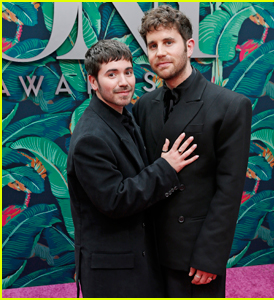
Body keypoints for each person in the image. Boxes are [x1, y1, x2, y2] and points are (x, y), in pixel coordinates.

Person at [132, 5, 252, 298]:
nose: (160, 52)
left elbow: (229, 189)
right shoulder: (143, 105)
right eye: (152, 45)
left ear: (189, 46)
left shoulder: (229, 105)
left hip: (194, 254)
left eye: (168, 42)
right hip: (149, 251)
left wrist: (210, 256)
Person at [67, 39, 199, 298]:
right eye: (111, 74)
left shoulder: (124, 114)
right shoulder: (90, 138)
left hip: (138, 259)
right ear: (93, 82)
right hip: (114, 271)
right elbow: (115, 200)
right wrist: (166, 167)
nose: (124, 82)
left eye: (128, 72)